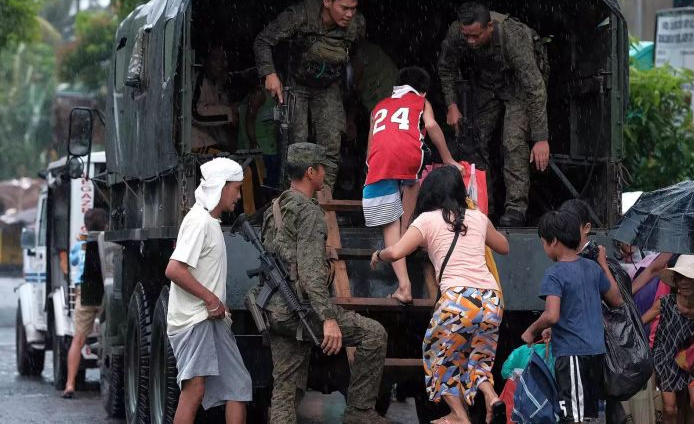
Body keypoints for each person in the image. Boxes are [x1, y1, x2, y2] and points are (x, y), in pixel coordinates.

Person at [261, 142, 389, 424]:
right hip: (301, 310)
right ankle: (359, 411)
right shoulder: (309, 213)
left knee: (285, 388)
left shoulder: (277, 206)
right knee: (374, 335)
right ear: (310, 172)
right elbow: (309, 272)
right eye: (323, 168)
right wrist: (328, 319)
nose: (326, 173)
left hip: (276, 309)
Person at [371, 166, 510, 424]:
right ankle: (491, 397)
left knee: (437, 355)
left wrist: (379, 255)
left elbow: (397, 250)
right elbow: (504, 246)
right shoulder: (477, 218)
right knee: (479, 360)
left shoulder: (427, 220)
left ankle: (458, 415)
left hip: (457, 300)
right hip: (491, 300)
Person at [437, 2, 549, 226]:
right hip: (489, 83)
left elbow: (535, 88)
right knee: (474, 139)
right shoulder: (458, 31)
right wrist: (452, 105)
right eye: (466, 36)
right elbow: (446, 68)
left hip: (519, 87)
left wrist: (540, 138)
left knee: (512, 142)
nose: (470, 41)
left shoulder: (512, 36)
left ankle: (516, 209)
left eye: (475, 36)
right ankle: (481, 205)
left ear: (489, 27)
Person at [253, 0, 366, 190]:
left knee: (331, 143)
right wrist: (269, 73)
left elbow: (356, 56)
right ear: (327, 2)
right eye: (344, 8)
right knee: (297, 145)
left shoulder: (356, 25)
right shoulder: (302, 14)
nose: (349, 14)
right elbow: (263, 41)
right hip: (298, 84)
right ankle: (295, 197)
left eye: (353, 8)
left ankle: (325, 198)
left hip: (328, 86)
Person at [164, 157, 252, 424]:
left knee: (239, 385)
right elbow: (174, 269)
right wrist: (211, 299)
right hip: (195, 320)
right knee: (194, 390)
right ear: (222, 187)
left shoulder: (210, 222)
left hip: (212, 319)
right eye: (236, 189)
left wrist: (218, 306)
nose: (238, 196)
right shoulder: (198, 221)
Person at [364, 67, 461, 305]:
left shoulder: (378, 107)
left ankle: (404, 287)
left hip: (380, 161)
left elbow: (371, 144)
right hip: (410, 156)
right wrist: (448, 159)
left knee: (389, 224)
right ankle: (409, 227)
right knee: (412, 180)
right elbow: (431, 126)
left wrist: (372, 169)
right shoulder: (421, 101)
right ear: (423, 90)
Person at [522, 211, 623, 424]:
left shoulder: (554, 274)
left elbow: (552, 314)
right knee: (591, 416)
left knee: (574, 417)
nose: (544, 248)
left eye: (543, 243)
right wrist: (603, 264)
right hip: (597, 352)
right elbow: (616, 300)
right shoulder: (593, 268)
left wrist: (532, 330)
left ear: (554, 241)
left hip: (572, 354)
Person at [641, 255, 694, 424]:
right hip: (667, 358)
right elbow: (640, 322)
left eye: (689, 278)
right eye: (680, 278)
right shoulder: (665, 302)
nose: (683, 282)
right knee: (670, 409)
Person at [61, 208, 108, 398]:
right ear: (105, 224)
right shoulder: (108, 240)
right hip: (106, 290)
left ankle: (70, 384)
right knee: (108, 337)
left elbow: (72, 261)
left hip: (86, 290)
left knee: (78, 339)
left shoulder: (82, 242)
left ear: (86, 225)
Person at [193, 46, 240, 152]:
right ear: (206, 60)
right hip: (197, 144)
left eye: (223, 60)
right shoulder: (197, 79)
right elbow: (197, 113)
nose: (220, 64)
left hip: (211, 142)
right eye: (215, 59)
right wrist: (229, 112)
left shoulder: (215, 83)